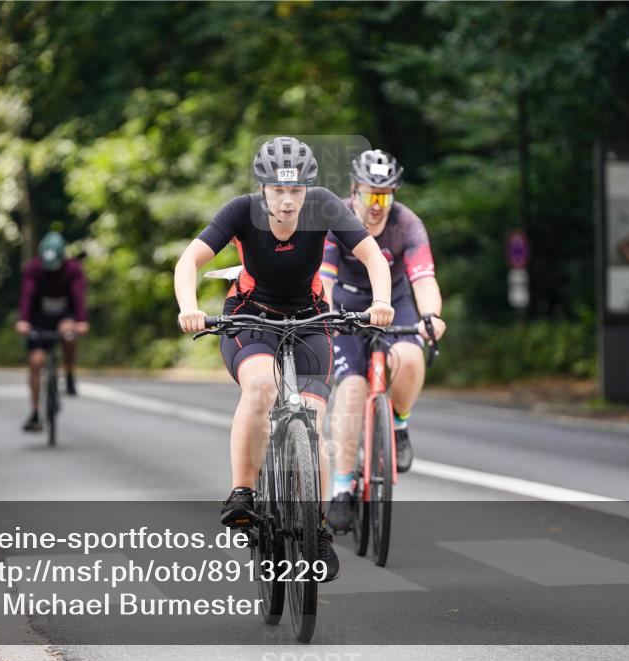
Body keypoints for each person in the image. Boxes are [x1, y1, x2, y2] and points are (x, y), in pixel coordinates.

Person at [174, 137, 394, 582]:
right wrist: (188, 307)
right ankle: (243, 492)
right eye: (278, 190)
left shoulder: (324, 205)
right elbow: (188, 261)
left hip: (311, 317)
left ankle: (317, 530)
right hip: (251, 316)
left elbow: (372, 255)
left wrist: (383, 301)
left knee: (312, 418)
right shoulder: (240, 211)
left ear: (307, 189)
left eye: (296, 191)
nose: (288, 201)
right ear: (263, 189)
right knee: (260, 388)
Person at [319, 149, 446, 531]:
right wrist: (323, 315)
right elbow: (322, 278)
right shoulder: (334, 220)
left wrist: (432, 317)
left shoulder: (407, 224)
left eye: (385, 196)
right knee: (353, 390)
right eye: (370, 195)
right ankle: (342, 486)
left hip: (395, 302)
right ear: (353, 190)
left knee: (410, 358)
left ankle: (400, 425)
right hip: (345, 304)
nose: (377, 206)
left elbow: (424, 279)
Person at [15, 231, 89, 432]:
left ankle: (70, 372)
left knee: (68, 333)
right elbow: (27, 296)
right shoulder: (33, 269)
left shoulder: (73, 269)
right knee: (36, 361)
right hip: (39, 320)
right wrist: (23, 321)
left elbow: (78, 296)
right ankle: (36, 412)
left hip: (65, 316)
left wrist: (81, 321)